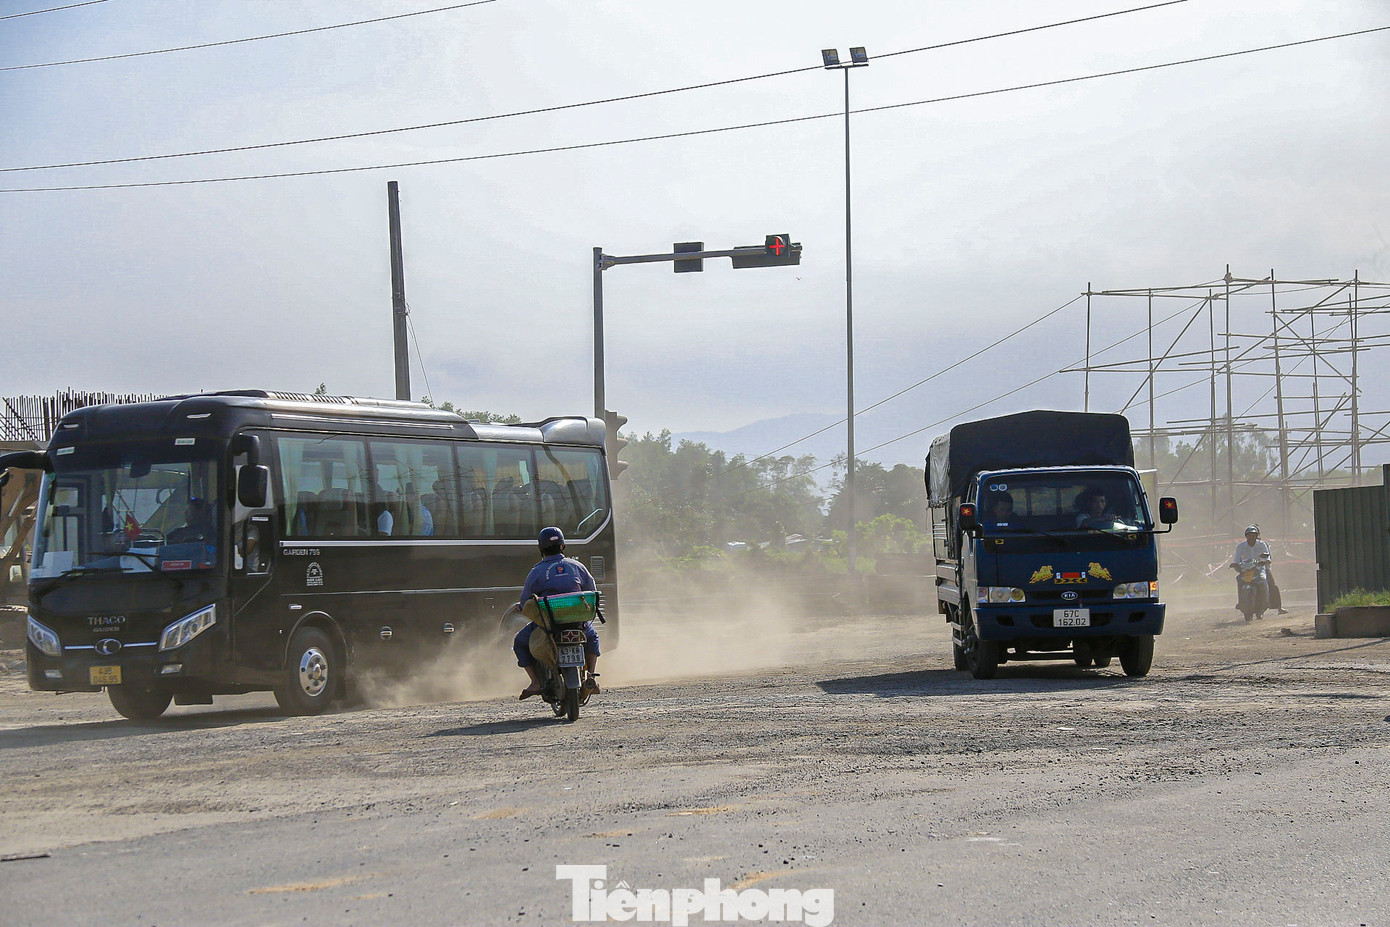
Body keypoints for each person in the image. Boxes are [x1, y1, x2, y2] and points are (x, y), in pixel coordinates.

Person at [514, 526, 601, 700]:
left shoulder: (536, 572)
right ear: (562, 546)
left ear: (541, 548)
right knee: (592, 637)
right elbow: (591, 591)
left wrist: (522, 607)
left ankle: (535, 683)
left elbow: (525, 602)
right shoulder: (577, 566)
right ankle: (591, 676)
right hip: (578, 624)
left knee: (519, 642)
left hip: (549, 626)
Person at [1233, 524, 1287, 614]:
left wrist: (1265, 561)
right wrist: (1236, 564)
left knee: (1271, 583)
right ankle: (1241, 602)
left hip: (1261, 569)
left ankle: (1278, 607)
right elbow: (1237, 559)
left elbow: (1267, 557)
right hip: (1247, 570)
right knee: (1240, 580)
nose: (1251, 537)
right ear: (1246, 536)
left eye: (1253, 535)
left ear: (1257, 535)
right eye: (1249, 535)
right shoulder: (1241, 546)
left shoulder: (1262, 544)